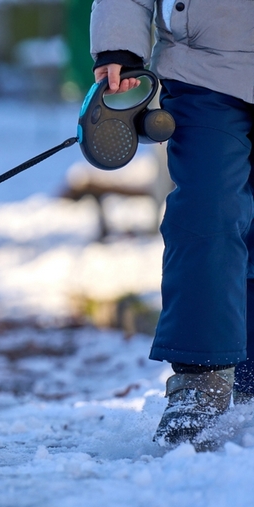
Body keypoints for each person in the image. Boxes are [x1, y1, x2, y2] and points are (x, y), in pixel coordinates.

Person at [89, 0, 254, 449]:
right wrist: (118, 47)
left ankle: (250, 376)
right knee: (207, 212)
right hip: (204, 71)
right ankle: (201, 382)